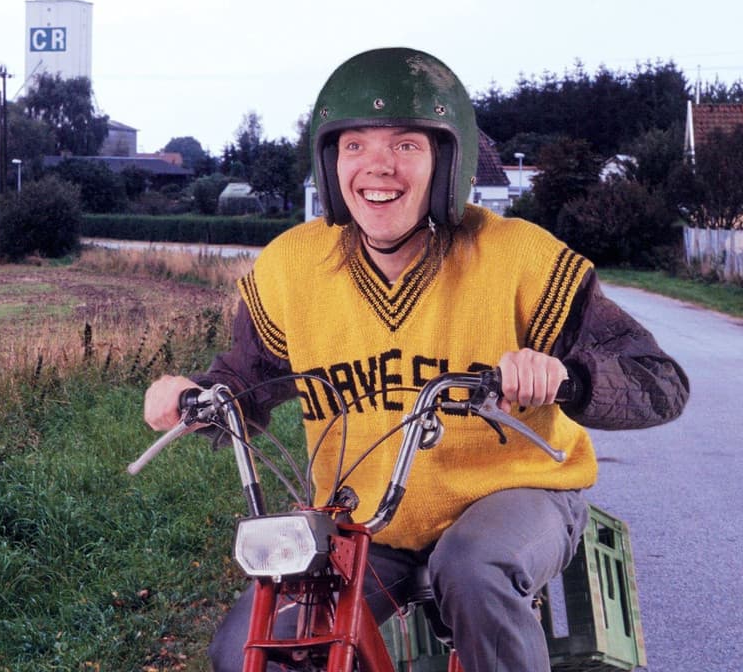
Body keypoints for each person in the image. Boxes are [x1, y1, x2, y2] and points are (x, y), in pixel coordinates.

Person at [143, 47, 689, 672]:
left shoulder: (519, 258)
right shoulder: (292, 267)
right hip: (370, 523)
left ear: (448, 162)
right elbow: (246, 382)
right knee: (249, 644)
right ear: (330, 163)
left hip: (518, 497)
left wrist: (568, 378)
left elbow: (659, 382)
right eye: (354, 145)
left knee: (474, 569)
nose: (377, 166)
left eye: (405, 145)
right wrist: (194, 396)